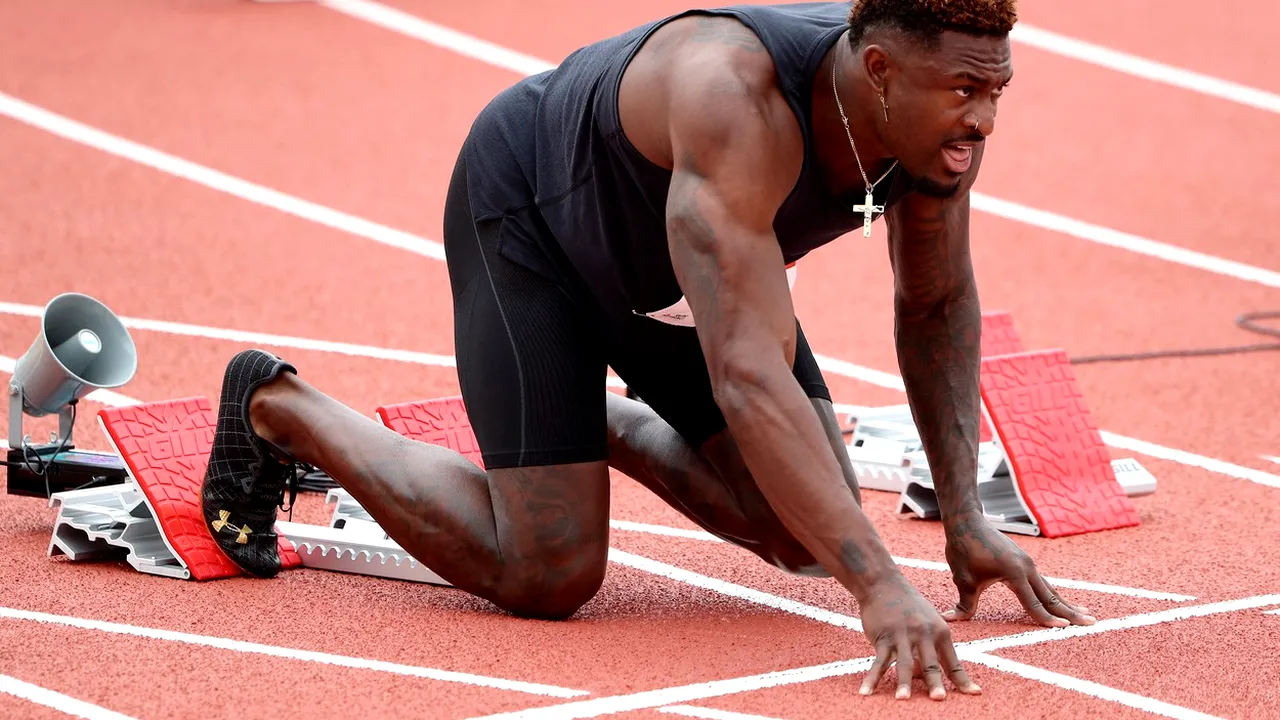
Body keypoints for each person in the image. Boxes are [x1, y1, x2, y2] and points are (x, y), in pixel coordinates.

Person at [201, 0, 1096, 701]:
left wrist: (966, 518)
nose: (983, 122)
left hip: (676, 281)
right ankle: (280, 407)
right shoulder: (735, 98)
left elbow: (936, 306)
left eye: (996, 93)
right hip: (536, 226)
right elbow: (747, 375)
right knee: (547, 573)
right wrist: (879, 587)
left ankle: (591, 426)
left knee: (799, 529)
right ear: (879, 71)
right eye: (965, 93)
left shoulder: (935, 131)